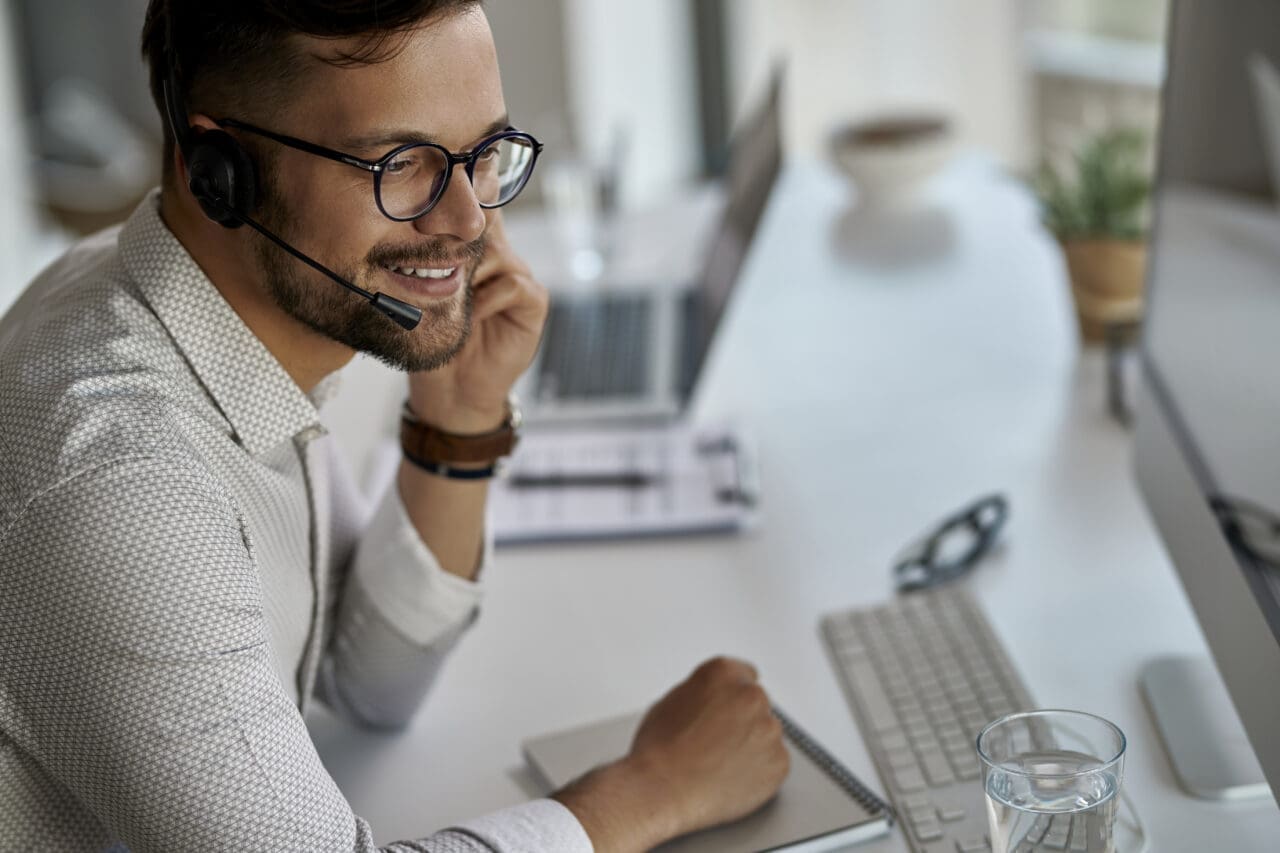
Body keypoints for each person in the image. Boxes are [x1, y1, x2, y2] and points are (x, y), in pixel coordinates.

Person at [0, 1, 791, 851]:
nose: (469, 221)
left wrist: (457, 423)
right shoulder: (126, 495)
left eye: (481, 154)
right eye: (401, 164)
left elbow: (363, 678)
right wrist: (648, 793)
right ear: (215, 168)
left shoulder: (209, 320)